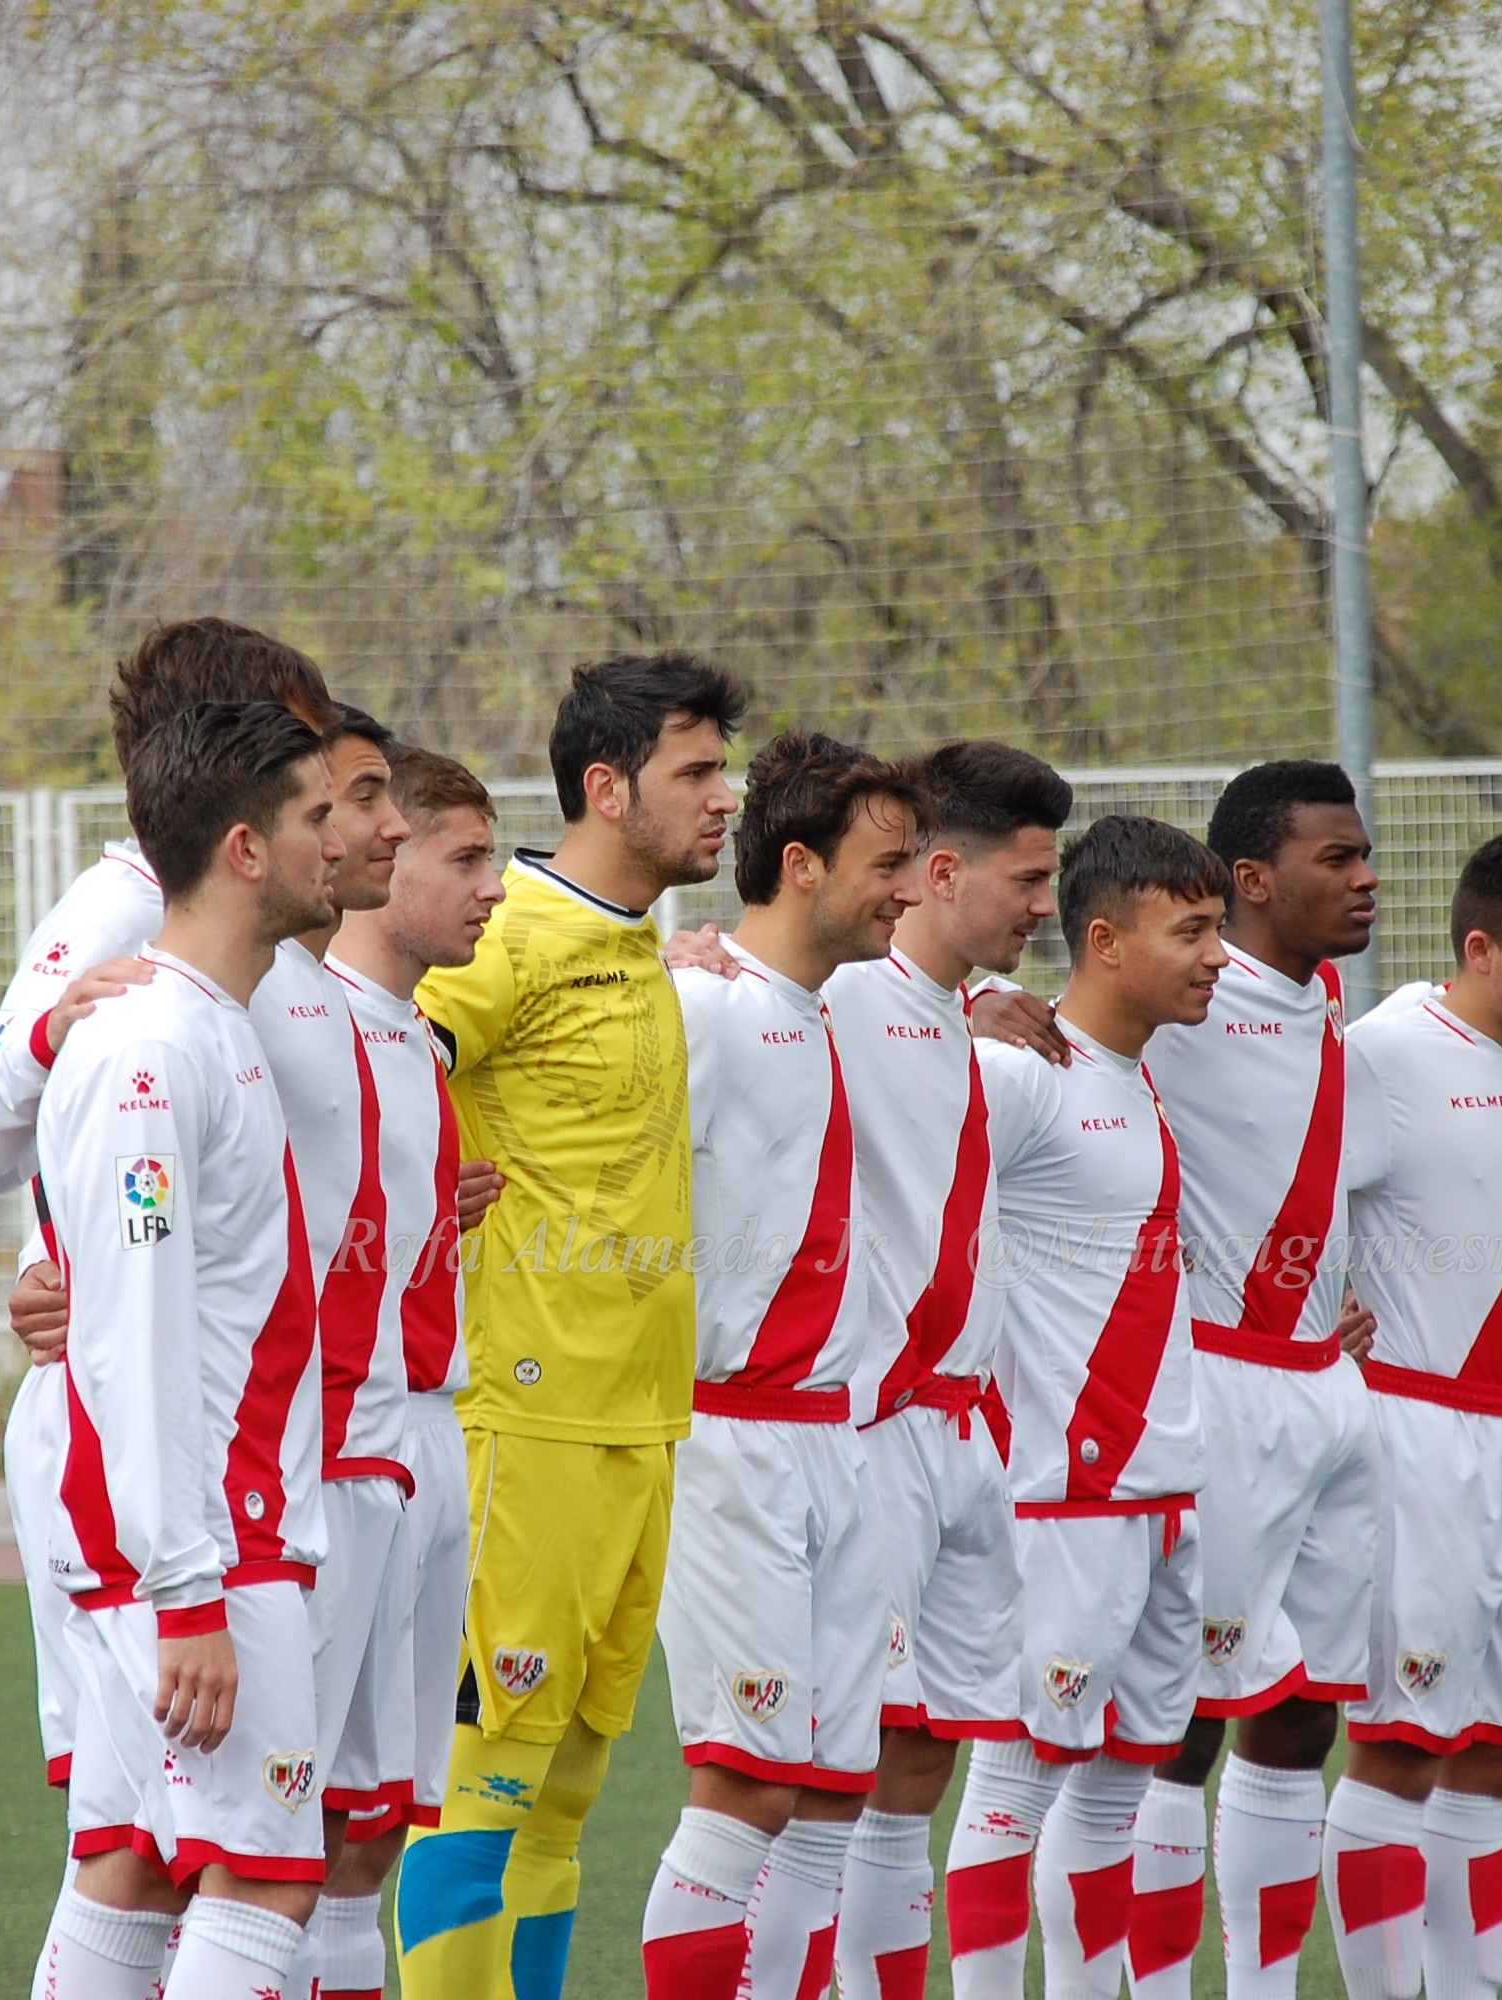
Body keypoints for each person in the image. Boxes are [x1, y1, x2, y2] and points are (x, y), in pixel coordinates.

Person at [0, 616, 338, 1799]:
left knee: (209, 1859)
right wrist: (45, 1040)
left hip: (278, 1435)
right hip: (150, 1447)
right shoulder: (124, 918)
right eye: (302, 753)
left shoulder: (294, 918)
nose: (341, 796)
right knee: (186, 1856)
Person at [397, 653, 747, 2000]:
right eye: (697, 773)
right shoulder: (510, 934)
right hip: (524, 1423)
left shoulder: (634, 941)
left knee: (563, 1804)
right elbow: (366, 1059)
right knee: (477, 1801)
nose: (727, 797)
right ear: (607, 788)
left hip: (644, 1423)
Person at [23, 698, 342, 2000]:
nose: (349, 839)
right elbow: (130, 1335)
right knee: (263, 1876)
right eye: (321, 813)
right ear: (247, 848)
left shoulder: (208, 1023)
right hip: (205, 1541)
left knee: (138, 1867)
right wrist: (191, 1588)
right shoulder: (155, 1049)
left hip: (207, 1533)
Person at [638, 731, 927, 1998]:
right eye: (888, 863)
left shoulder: (840, 1009)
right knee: (744, 1782)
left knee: (827, 1789)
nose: (909, 888)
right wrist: (646, 957)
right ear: (800, 865)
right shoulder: (694, 1003)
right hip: (727, 1436)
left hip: (842, 1439)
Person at [1326, 832, 1502, 2000]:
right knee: (1398, 1742)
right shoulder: (1382, 1051)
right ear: (1477, 945)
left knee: (1489, 1753)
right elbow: (1283, 1184)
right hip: (1416, 1431)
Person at [943, 814, 1223, 2000]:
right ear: (1103, 940)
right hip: (1057, 1496)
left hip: (1160, 1491)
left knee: (1119, 1782)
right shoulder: (1014, 1072)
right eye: (1192, 930)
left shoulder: (1131, 1079)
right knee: (1014, 1784)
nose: (1218, 954)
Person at [1129, 760, 1383, 2000]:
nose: (1364, 874)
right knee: (1181, 1716)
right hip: (1209, 1385)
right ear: (1248, 880)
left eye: (1361, 851)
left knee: (1298, 1714)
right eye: (1334, 857)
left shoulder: (1328, 993)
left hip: (1325, 1387)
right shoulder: (1178, 996)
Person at [823, 741, 1071, 2000]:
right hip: (854, 1436)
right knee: (812, 1779)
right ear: (938, 868)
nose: (1044, 905)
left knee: (913, 1761)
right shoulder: (833, 994)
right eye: (1026, 878)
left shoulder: (958, 1019)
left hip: (957, 1437)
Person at [319, 743, 511, 2000]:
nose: (493, 886)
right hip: (332, 1457)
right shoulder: (298, 1020)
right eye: (466, 856)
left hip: (430, 1441)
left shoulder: (416, 1041)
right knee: (275, 1830)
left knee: (374, 1822)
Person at [239, 702, 421, 2000]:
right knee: (232, 1863)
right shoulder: (185, 976)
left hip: (383, 1450)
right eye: (350, 799)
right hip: (271, 1479)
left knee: (357, 1834)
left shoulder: (376, 1014)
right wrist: (52, 1267)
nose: (384, 828)